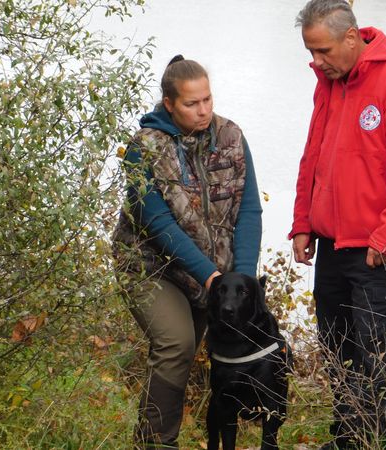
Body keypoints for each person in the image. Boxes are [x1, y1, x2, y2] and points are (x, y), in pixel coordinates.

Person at [289, 1, 386, 448]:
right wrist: (301, 222)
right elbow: (313, 154)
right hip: (331, 241)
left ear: (351, 37)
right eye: (311, 52)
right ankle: (346, 436)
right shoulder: (328, 83)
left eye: (323, 50)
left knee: (373, 352)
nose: (316, 61)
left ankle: (372, 440)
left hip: (376, 246)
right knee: (336, 347)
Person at [112, 55, 262, 449]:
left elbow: (249, 208)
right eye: (192, 103)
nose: (203, 110)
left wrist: (240, 281)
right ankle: (157, 444)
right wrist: (212, 277)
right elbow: (158, 224)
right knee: (176, 344)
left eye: (208, 100)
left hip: (212, 277)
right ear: (168, 104)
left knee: (197, 352)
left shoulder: (231, 136)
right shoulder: (142, 149)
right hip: (151, 269)